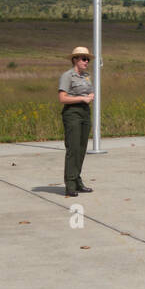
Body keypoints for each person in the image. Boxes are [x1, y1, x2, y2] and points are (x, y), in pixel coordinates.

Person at [58, 46, 96, 197]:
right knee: (73, 148)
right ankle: (70, 184)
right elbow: (62, 98)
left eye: (88, 59)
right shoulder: (68, 76)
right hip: (72, 112)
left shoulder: (86, 76)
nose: (86, 61)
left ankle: (77, 179)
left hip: (85, 112)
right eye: (83, 58)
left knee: (81, 148)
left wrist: (91, 95)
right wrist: (81, 98)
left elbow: (90, 90)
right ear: (75, 59)